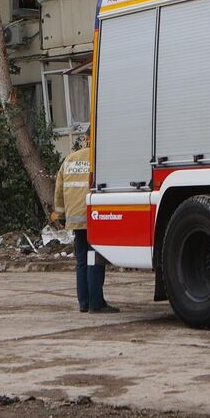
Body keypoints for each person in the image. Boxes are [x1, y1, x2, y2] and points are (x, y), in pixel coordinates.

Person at [52, 133, 117, 314]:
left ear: (86, 138)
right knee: (94, 260)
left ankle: (84, 302)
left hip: (75, 219)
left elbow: (58, 190)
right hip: (94, 217)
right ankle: (97, 303)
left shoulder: (70, 159)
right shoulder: (99, 159)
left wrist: (61, 214)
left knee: (81, 261)